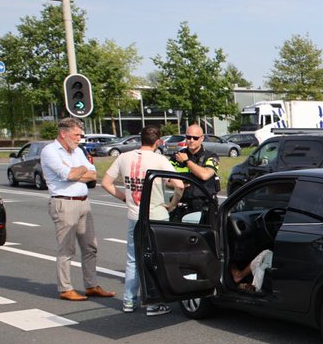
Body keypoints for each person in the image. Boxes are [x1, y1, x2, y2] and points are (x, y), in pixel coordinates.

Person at [101, 125, 182, 316]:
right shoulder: (159, 159)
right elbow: (179, 185)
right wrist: (172, 204)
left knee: (133, 259)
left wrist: (124, 198)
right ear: (158, 141)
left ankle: (129, 300)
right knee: (156, 259)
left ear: (140, 139)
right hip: (156, 216)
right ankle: (154, 302)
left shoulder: (123, 157)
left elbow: (105, 183)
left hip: (134, 215)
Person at [40, 117, 116, 302]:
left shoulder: (78, 151)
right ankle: (65, 288)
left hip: (83, 201)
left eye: (80, 135)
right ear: (63, 134)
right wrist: (79, 170)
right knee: (67, 248)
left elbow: (92, 175)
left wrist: (76, 171)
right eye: (76, 135)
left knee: (90, 246)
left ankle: (91, 285)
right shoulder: (50, 151)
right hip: (64, 203)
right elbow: (69, 174)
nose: (79, 139)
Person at [168, 122, 220, 220]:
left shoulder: (211, 156)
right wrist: (179, 185)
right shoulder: (176, 157)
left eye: (195, 138)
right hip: (181, 206)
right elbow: (167, 182)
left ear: (202, 138)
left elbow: (205, 175)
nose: (191, 140)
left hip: (204, 208)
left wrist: (186, 161)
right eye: (188, 137)